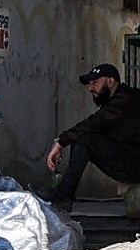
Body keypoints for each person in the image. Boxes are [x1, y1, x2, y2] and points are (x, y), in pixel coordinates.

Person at [45, 63, 140, 210]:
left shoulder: (126, 99)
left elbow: (95, 121)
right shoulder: (117, 100)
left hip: (135, 163)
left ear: (110, 81)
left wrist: (60, 142)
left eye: (95, 82)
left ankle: (63, 195)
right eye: (90, 84)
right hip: (131, 159)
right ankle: (64, 195)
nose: (91, 88)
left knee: (84, 139)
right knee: (82, 138)